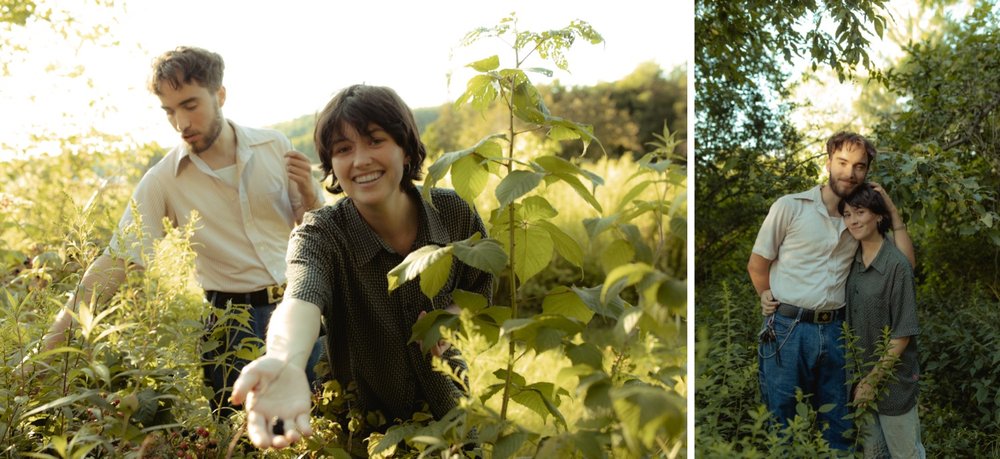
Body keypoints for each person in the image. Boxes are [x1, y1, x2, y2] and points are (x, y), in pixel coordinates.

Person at [42, 46, 326, 415]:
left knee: (314, 423)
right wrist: (51, 342)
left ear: (220, 95)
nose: (181, 124)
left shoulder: (275, 146)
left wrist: (308, 193)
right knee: (240, 436)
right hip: (229, 325)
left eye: (190, 105)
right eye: (169, 111)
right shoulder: (162, 180)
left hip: (297, 308)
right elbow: (118, 258)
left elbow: (312, 230)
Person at [229, 84, 495, 450]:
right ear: (332, 164)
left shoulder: (453, 213)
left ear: (405, 148)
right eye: (343, 149)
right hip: (359, 432)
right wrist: (286, 360)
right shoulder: (320, 235)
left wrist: (450, 318)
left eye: (375, 141)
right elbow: (301, 298)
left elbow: (480, 288)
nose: (360, 160)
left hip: (451, 412)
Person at [747, 131, 915, 451]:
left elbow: (904, 265)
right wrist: (765, 294)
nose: (849, 173)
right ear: (828, 163)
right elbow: (757, 264)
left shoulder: (858, 219)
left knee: (839, 424)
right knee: (781, 423)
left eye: (859, 166)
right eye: (842, 162)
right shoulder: (790, 207)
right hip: (787, 329)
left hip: (838, 332)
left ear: (867, 172)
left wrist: (892, 213)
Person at [840, 184, 924, 458]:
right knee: (873, 455)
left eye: (860, 212)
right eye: (847, 214)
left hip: (891, 382)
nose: (852, 220)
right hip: (859, 378)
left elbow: (902, 334)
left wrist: (871, 382)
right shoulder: (850, 259)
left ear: (878, 215)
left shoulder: (895, 265)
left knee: (905, 455)